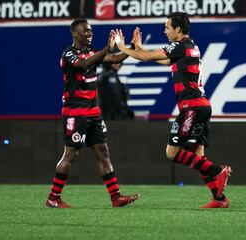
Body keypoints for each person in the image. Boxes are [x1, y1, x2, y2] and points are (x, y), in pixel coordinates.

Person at [115, 12, 232, 208]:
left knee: (172, 153)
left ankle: (218, 170)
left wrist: (122, 48)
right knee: (198, 155)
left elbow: (146, 58)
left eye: (168, 27)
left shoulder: (179, 46)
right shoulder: (190, 46)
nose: (165, 30)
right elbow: (162, 59)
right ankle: (219, 199)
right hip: (203, 106)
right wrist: (140, 48)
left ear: (178, 29)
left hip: (191, 107)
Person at [45, 19, 139, 208]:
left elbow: (114, 59)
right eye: (86, 31)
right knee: (71, 154)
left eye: (91, 31)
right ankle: (53, 197)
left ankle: (116, 197)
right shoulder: (69, 54)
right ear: (75, 34)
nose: (90, 33)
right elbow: (84, 64)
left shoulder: (91, 51)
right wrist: (106, 48)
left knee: (103, 152)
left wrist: (131, 47)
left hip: (93, 111)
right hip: (75, 111)